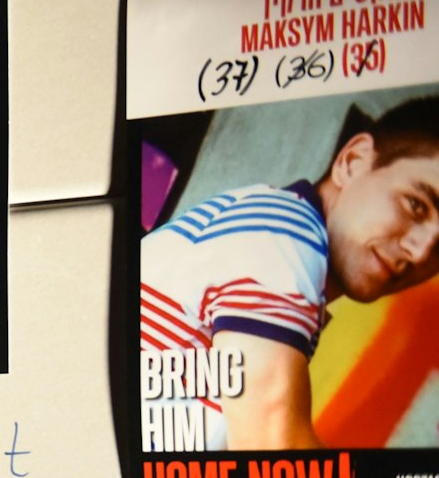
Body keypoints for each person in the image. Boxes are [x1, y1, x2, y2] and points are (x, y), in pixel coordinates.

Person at [139, 94, 439, 450]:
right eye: (415, 205)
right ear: (354, 160)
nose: (420, 253)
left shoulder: (272, 226)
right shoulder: (282, 237)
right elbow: (277, 460)